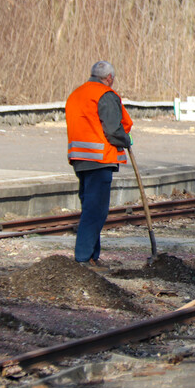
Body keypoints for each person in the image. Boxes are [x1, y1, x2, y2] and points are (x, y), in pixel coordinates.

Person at [65, 61, 133, 271]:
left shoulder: (76, 94)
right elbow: (113, 130)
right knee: (96, 212)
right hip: (99, 160)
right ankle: (84, 259)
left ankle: (92, 256)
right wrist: (126, 140)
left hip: (80, 160)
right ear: (109, 78)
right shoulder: (105, 94)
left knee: (90, 208)